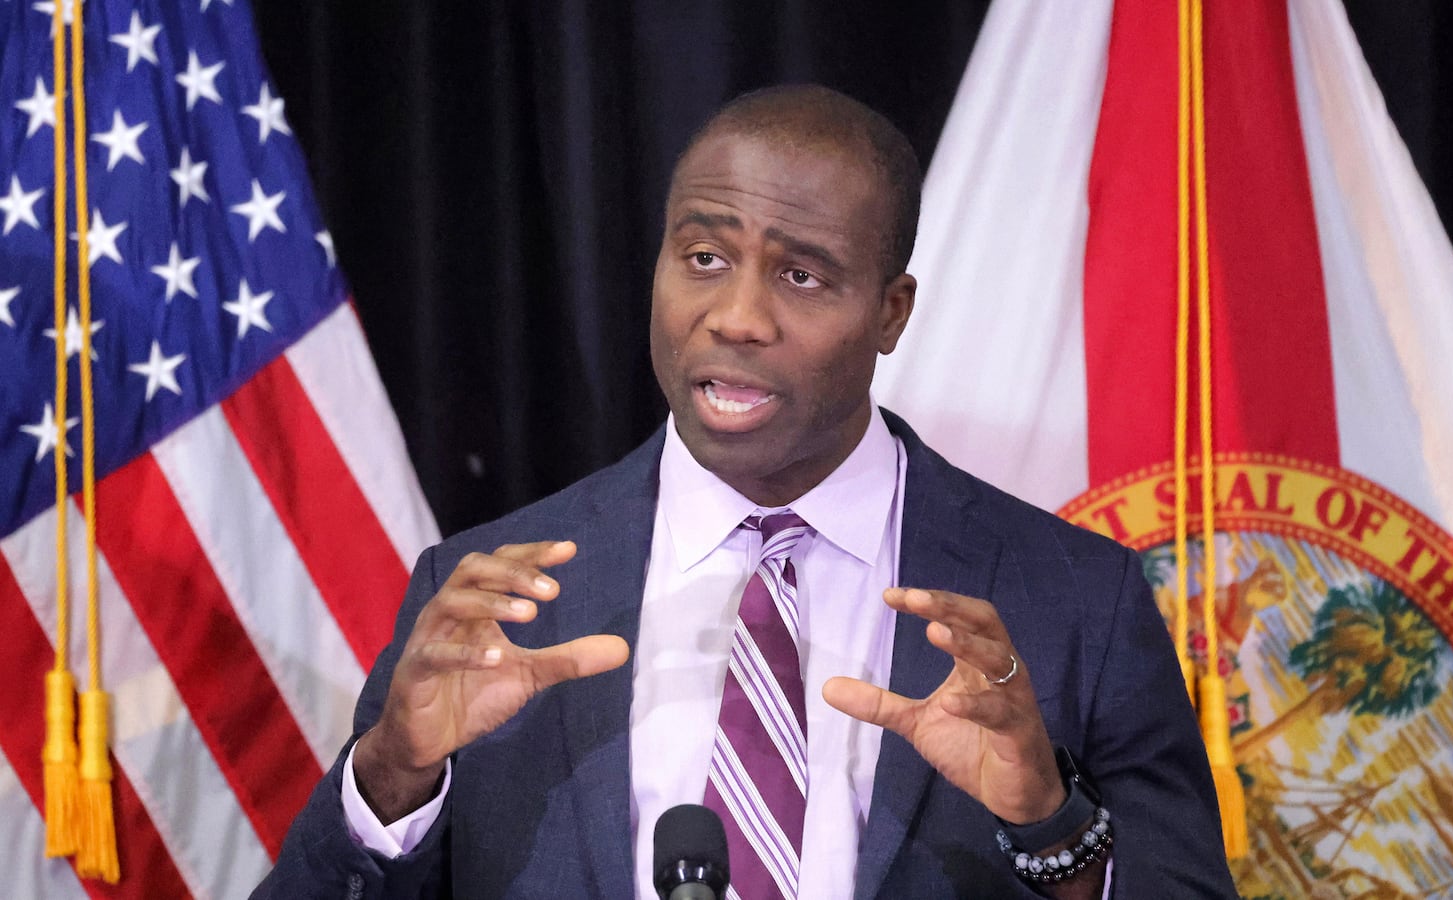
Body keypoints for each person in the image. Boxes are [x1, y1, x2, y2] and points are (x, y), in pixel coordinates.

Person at [255, 84, 1234, 899]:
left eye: (802, 276)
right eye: (705, 258)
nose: (736, 316)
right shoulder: (483, 594)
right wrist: (392, 774)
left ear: (891, 313)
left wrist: (1049, 821)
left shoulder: (1072, 599)